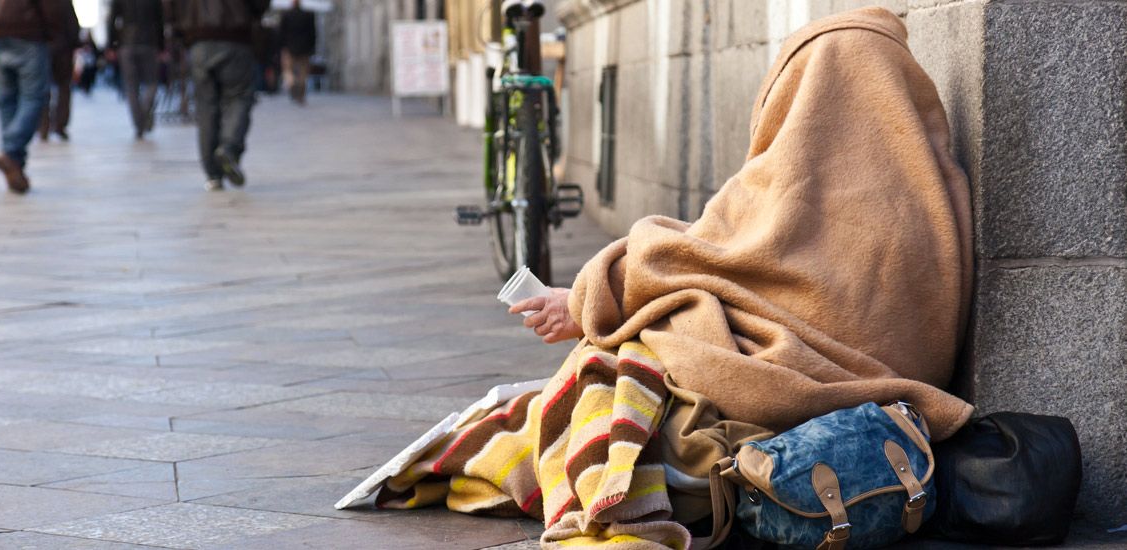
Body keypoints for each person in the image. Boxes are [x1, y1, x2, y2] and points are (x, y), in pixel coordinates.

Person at [373, 7, 976, 549]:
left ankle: (591, 472)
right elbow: (741, 265)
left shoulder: (787, 176)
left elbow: (691, 256)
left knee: (619, 358)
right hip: (883, 399)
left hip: (788, 387)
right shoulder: (936, 194)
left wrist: (588, 298)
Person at [168, 0, 270, 191]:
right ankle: (228, 147)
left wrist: (179, 30)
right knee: (238, 97)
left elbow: (170, 7)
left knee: (206, 107)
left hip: (198, 40)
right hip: (236, 37)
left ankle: (213, 174)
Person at [0, 0, 68, 193]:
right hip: (29, 32)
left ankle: (15, 166)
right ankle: (11, 151)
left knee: (7, 99)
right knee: (34, 97)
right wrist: (52, 32)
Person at [107, 0, 163, 139]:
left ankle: (139, 123)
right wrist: (161, 45)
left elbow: (112, 19)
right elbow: (160, 20)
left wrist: (111, 45)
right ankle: (143, 116)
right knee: (152, 83)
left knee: (131, 87)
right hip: (149, 42)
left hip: (127, 42)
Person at [37, 0, 79, 142]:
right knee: (64, 88)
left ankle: (44, 125)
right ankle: (60, 125)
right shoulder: (64, 2)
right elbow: (74, 26)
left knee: (43, 88)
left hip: (43, 49)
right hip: (63, 50)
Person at [277, 0, 314, 105]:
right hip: (304, 48)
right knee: (303, 73)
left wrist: (282, 47)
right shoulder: (308, 15)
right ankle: (300, 95)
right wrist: (311, 48)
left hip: (289, 48)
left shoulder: (286, 15)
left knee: (288, 71)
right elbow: (313, 33)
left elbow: (281, 33)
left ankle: (293, 85)